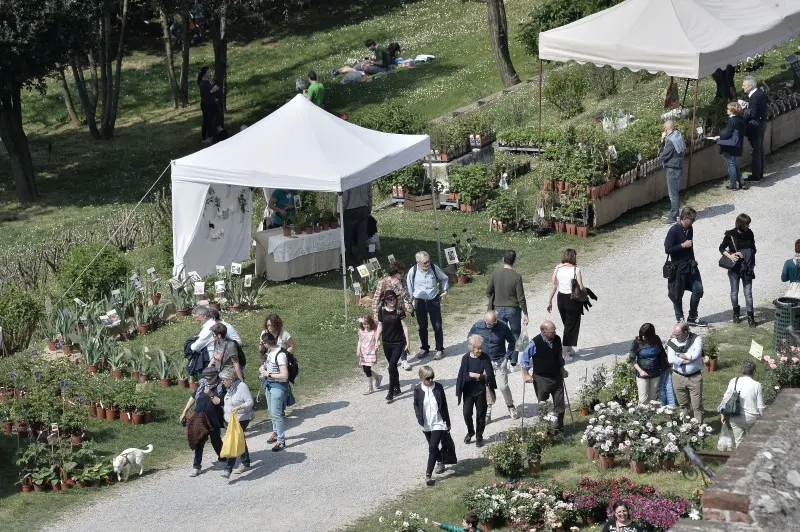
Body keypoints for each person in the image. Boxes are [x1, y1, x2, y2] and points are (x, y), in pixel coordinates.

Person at [468, 311, 518, 422]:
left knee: (503, 386)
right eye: (489, 324)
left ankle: (510, 406)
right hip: (484, 362)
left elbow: (512, 342)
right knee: (486, 388)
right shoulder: (477, 326)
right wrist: (474, 354)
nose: (492, 325)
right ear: (485, 321)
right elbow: (470, 339)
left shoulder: (502, 326)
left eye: (494, 323)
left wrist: (507, 357)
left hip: (499, 361)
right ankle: (488, 412)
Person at [521, 320, 568, 431]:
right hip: (541, 378)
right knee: (544, 406)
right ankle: (546, 430)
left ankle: (559, 428)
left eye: (555, 330)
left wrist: (562, 368)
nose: (554, 333)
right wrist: (526, 374)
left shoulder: (557, 339)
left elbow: (559, 357)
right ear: (544, 331)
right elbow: (524, 358)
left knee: (560, 405)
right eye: (552, 331)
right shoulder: (535, 342)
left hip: (557, 377)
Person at [664, 206, 707, 327]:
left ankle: (692, 316)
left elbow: (690, 247)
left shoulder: (690, 228)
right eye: (692, 219)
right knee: (677, 294)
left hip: (690, 265)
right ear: (684, 218)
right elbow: (668, 249)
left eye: (694, 219)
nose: (694, 221)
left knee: (698, 289)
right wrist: (682, 245)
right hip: (678, 267)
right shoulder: (674, 230)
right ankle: (680, 320)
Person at [180, 367, 226, 477]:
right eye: (206, 378)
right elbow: (193, 397)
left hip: (213, 418)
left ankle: (223, 459)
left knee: (216, 440)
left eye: (210, 378)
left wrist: (210, 393)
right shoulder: (202, 385)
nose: (208, 380)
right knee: (198, 441)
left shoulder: (222, 386)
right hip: (199, 418)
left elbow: (219, 401)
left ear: (216, 376)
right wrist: (184, 411)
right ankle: (196, 466)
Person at [406, 251, 449, 361]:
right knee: (422, 327)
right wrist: (409, 303)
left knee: (437, 326)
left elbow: (445, 278)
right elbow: (410, 287)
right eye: (425, 262)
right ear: (418, 262)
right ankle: (425, 348)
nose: (428, 264)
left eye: (429, 261)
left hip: (434, 300)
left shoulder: (434, 268)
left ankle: (440, 349)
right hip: (419, 302)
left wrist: (445, 290)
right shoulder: (413, 271)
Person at [412, 365, 451, 486]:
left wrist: (447, 422)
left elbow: (444, 405)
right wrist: (419, 418)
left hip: (438, 422)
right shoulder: (417, 389)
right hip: (426, 424)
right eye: (427, 378)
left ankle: (428, 475)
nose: (430, 381)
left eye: (432, 378)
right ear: (422, 378)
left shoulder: (438, 387)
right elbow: (416, 405)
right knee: (433, 446)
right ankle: (440, 461)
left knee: (432, 447)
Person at [455, 335, 496, 447]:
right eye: (477, 348)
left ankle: (479, 436)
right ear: (471, 347)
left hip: (482, 391)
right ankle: (471, 431)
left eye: (481, 348)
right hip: (468, 392)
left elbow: (490, 376)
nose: (479, 350)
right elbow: (464, 378)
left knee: (481, 416)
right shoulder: (465, 358)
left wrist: (475, 375)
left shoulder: (485, 358)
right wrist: (481, 375)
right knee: (467, 413)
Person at [719, 213, 757, 327]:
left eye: (748, 224)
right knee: (734, 293)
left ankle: (751, 318)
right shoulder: (730, 234)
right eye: (746, 224)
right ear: (740, 224)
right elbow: (721, 248)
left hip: (747, 267)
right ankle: (736, 313)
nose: (748, 226)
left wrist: (744, 254)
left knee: (748, 294)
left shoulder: (750, 233)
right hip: (734, 268)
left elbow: (754, 249)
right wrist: (730, 256)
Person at [546, 249, 585, 360]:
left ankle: (569, 348)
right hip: (572, 299)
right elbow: (581, 287)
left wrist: (549, 301)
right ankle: (563, 355)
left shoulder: (557, 269)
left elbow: (553, 286)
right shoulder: (576, 270)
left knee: (567, 324)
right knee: (570, 326)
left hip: (561, 299)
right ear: (573, 257)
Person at [718, 359, 764, 448]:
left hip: (735, 417)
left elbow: (725, 399)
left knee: (739, 442)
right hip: (753, 418)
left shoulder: (734, 381)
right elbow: (760, 406)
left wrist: (723, 415)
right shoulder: (757, 385)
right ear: (754, 371)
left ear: (742, 370)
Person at [486, 250, 529, 346]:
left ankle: (501, 359)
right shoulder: (517, 277)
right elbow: (521, 298)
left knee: (498, 335)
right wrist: (525, 313)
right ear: (514, 261)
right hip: (514, 310)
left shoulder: (495, 274)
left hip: (498, 309)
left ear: (503, 260)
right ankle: (513, 361)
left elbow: (488, 291)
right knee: (515, 336)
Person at [375, 290, 410, 402]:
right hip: (386, 343)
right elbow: (380, 325)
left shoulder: (399, 311)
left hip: (398, 343)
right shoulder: (381, 310)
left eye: (394, 299)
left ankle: (390, 392)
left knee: (391, 367)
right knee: (393, 366)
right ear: (385, 300)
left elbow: (405, 327)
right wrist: (376, 339)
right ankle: (398, 387)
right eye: (390, 299)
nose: (393, 301)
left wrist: (408, 342)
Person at [666, 322, 704, 423]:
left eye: (678, 334)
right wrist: (686, 360)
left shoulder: (696, 339)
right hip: (678, 377)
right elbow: (670, 359)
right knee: (683, 404)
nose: (675, 336)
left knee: (697, 405)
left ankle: (699, 428)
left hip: (694, 377)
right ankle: (685, 427)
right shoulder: (672, 342)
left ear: (686, 332)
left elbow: (696, 354)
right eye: (674, 334)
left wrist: (678, 355)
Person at [219, 367, 253, 478]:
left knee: (234, 440)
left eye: (224, 379)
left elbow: (250, 402)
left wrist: (239, 407)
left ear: (231, 379)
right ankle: (246, 462)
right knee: (240, 438)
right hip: (231, 419)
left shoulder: (242, 386)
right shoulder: (229, 388)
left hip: (242, 418)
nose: (222, 382)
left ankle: (228, 469)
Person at [259, 332, 291, 451]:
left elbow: (284, 375)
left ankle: (281, 441)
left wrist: (268, 374)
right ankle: (276, 432)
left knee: (277, 414)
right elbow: (270, 366)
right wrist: (263, 369)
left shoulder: (280, 354)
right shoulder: (270, 353)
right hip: (269, 385)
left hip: (278, 387)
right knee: (272, 412)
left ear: (266, 343)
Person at [711, 102, 748, 190]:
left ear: (732, 111)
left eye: (728, 109)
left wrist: (719, 136)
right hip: (738, 145)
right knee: (734, 164)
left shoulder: (732, 120)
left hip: (731, 145)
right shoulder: (740, 119)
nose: (727, 110)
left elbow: (728, 134)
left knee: (731, 165)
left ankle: (733, 184)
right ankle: (742, 182)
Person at [628, 323, 668, 404]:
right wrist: (640, 371)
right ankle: (643, 415)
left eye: (645, 335)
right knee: (643, 400)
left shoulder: (656, 339)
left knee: (652, 399)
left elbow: (662, 353)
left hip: (655, 373)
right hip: (642, 374)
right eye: (642, 334)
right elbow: (632, 358)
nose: (643, 337)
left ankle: (651, 415)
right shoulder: (637, 342)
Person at [659, 120, 686, 223]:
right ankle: (674, 212)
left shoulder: (670, 141)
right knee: (674, 192)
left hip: (673, 168)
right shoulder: (678, 135)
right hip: (678, 166)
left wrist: (662, 140)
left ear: (665, 129)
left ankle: (673, 216)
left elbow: (663, 155)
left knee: (673, 194)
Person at [742, 76, 766, 182]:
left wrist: (743, 110)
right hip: (762, 123)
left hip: (755, 126)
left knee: (755, 151)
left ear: (750, 86)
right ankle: (760, 173)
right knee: (759, 149)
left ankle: (756, 175)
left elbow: (753, 113)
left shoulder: (754, 96)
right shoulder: (760, 92)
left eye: (744, 85)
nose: (742, 87)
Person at [341, 183, 372, 267]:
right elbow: (370, 195)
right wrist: (369, 208)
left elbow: (344, 199)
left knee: (348, 237)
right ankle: (360, 258)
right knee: (361, 236)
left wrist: (340, 212)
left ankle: (349, 259)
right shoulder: (366, 177)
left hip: (351, 210)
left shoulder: (349, 179)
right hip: (363, 208)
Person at [356, 314, 383, 394]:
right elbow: (360, 341)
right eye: (364, 324)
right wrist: (358, 350)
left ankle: (370, 387)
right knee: (365, 370)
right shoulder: (361, 331)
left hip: (371, 352)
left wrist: (377, 344)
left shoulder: (374, 331)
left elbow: (377, 339)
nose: (366, 326)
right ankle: (377, 377)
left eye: (367, 324)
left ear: (371, 323)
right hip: (363, 353)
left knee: (367, 370)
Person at [197, 67, 219, 143]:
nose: (210, 73)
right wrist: (212, 91)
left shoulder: (209, 81)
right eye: (208, 72)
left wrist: (214, 90)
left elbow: (211, 92)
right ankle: (205, 138)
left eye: (210, 72)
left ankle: (212, 134)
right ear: (204, 75)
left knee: (213, 119)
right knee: (206, 121)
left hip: (212, 103)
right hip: (206, 105)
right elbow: (204, 96)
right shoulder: (202, 83)